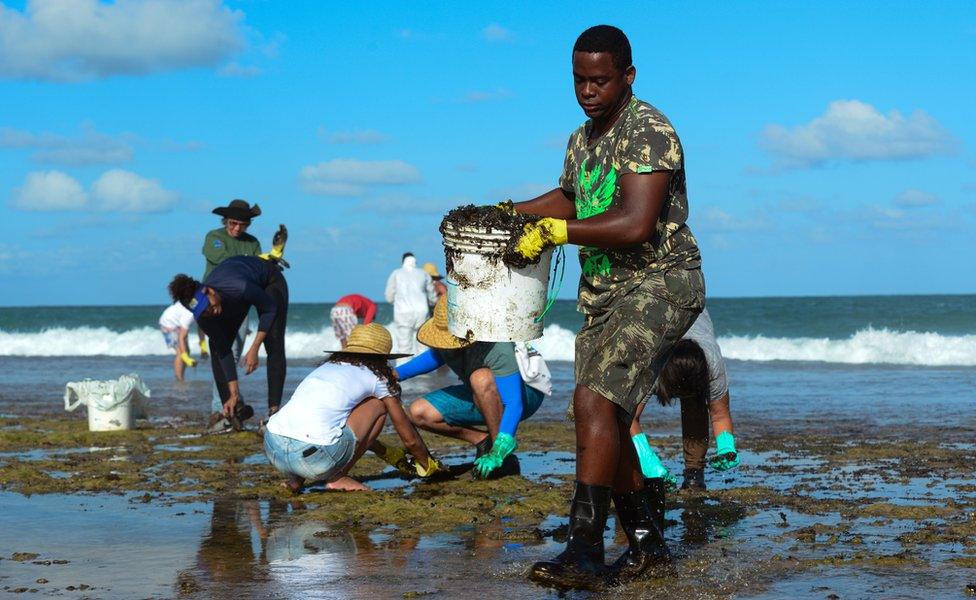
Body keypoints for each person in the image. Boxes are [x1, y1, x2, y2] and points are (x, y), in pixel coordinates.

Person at [508, 26, 706, 590]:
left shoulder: (649, 130)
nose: (587, 91)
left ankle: (585, 549)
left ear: (628, 76)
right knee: (608, 416)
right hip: (605, 294)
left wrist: (555, 231)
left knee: (592, 399)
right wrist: (511, 211)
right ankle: (648, 545)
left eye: (599, 80)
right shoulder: (582, 138)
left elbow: (635, 221)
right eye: (579, 80)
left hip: (661, 282)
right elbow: (571, 196)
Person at [263, 323, 440, 492]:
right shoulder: (378, 377)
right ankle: (338, 477)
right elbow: (409, 439)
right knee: (380, 404)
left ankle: (295, 480)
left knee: (316, 420)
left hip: (273, 447)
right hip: (315, 458)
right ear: (383, 357)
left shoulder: (328, 367)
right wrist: (427, 464)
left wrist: (382, 450)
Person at [393, 296, 549, 479]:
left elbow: (514, 402)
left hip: (525, 394)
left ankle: (501, 454)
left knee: (480, 378)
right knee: (418, 412)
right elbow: (434, 358)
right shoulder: (447, 340)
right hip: (484, 393)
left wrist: (501, 448)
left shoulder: (497, 345)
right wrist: (395, 375)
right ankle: (483, 441)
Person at [169, 254, 288, 430]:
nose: (211, 312)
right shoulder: (205, 317)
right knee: (217, 348)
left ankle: (273, 413)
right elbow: (225, 350)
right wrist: (234, 392)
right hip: (234, 300)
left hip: (268, 281)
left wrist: (254, 348)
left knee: (274, 341)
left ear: (209, 291)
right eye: (204, 312)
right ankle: (232, 408)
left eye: (209, 306)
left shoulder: (239, 286)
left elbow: (269, 308)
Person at [630, 308, 739, 491]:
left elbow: (719, 415)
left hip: (694, 321)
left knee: (695, 406)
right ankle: (632, 471)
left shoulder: (712, 364)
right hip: (651, 320)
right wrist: (646, 457)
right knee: (620, 412)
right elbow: (629, 416)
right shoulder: (651, 364)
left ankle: (694, 475)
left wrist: (726, 447)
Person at [200, 199, 263, 411]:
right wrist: (248, 262)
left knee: (234, 354)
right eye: (232, 223)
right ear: (226, 220)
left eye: (242, 225)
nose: (237, 228)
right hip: (213, 302)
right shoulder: (214, 237)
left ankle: (231, 400)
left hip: (241, 303)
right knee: (222, 351)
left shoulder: (252, 243)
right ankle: (221, 406)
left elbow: (259, 268)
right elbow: (226, 261)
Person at [384, 252, 436, 356]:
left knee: (404, 347)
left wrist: (398, 302)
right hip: (422, 312)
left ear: (403, 261)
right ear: (415, 261)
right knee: (423, 345)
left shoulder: (396, 273)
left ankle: (404, 370)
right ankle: (424, 370)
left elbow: (389, 296)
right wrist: (431, 303)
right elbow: (432, 296)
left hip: (403, 313)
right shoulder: (423, 273)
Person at [159, 301, 197, 381]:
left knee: (187, 350)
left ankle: (181, 376)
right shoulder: (189, 314)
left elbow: (201, 329)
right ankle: (179, 379)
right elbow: (181, 337)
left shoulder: (197, 304)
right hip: (168, 325)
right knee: (180, 353)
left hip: (177, 324)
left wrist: (203, 346)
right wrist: (185, 357)